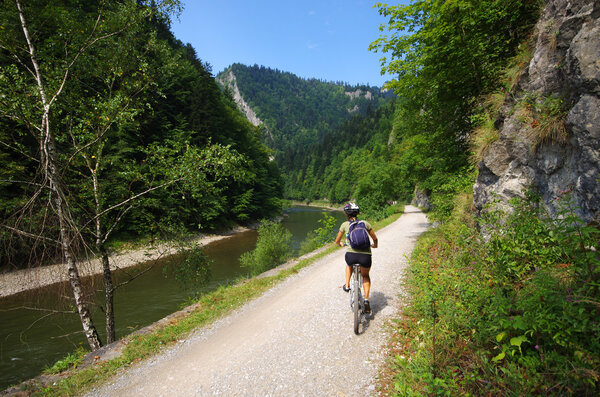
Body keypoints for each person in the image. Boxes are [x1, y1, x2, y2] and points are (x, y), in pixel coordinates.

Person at [334, 202, 378, 314]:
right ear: (357, 213)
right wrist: (375, 245)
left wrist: (340, 244)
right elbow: (375, 238)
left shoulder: (345, 225)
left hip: (351, 255)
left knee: (349, 264)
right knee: (365, 276)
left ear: (346, 214)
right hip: (365, 256)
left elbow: (337, 241)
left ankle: (347, 285)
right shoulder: (365, 223)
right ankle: (367, 300)